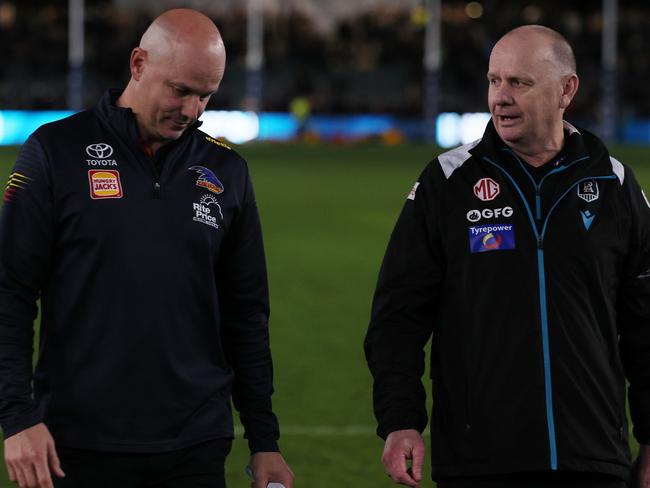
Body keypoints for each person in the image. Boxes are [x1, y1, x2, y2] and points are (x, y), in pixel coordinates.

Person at [0, 8, 294, 488]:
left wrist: (264, 440)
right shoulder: (55, 152)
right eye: (180, 90)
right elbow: (9, 290)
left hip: (195, 446)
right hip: (77, 444)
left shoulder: (228, 172)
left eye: (206, 95)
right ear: (138, 64)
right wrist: (16, 416)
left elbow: (246, 314)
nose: (193, 110)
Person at [364, 25, 650, 488]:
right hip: (481, 460)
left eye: (519, 82)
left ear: (566, 89)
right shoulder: (448, 182)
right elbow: (398, 315)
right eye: (494, 80)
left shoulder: (614, 184)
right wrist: (401, 420)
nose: (500, 96)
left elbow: (645, 324)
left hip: (593, 457)